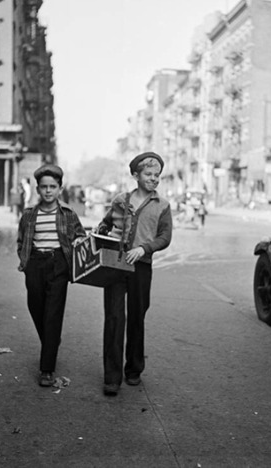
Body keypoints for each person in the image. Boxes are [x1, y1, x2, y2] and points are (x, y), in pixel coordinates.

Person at [97, 152, 173, 396]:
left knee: (137, 317)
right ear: (135, 176)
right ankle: (112, 376)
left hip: (141, 267)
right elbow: (106, 225)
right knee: (114, 318)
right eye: (149, 174)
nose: (154, 179)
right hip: (116, 265)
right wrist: (103, 234)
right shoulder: (121, 201)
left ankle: (134, 369)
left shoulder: (162, 206)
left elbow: (165, 237)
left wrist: (144, 248)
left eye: (157, 175)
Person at [17, 164, 86, 387]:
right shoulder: (28, 215)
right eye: (44, 187)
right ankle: (52, 340)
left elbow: (81, 237)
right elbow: (21, 241)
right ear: (37, 189)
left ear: (59, 189)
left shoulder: (67, 214)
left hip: (59, 265)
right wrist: (26, 261)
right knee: (35, 307)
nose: (48, 191)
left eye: (52, 187)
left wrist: (76, 242)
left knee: (53, 314)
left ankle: (46, 368)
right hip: (35, 264)